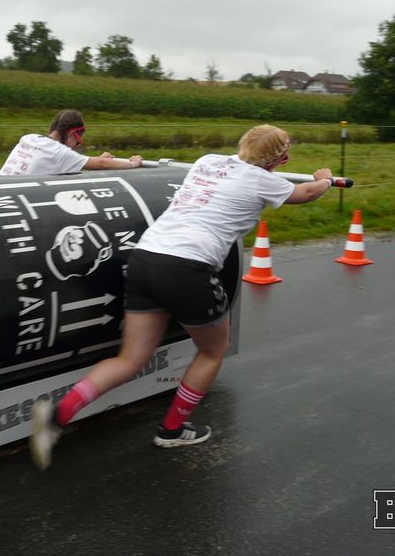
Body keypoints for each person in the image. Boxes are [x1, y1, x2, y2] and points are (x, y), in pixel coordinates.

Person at [29, 124, 334, 470]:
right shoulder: (263, 180)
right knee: (213, 350)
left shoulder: (208, 161)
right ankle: (172, 429)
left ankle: (57, 416)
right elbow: (307, 192)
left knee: (130, 358)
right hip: (187, 266)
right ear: (279, 159)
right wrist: (325, 179)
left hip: (146, 257)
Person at [0, 109, 142, 176]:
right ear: (71, 134)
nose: (76, 146)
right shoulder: (59, 152)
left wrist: (95, 159)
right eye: (77, 142)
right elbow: (101, 165)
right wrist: (133, 164)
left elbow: (94, 162)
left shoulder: (29, 138)